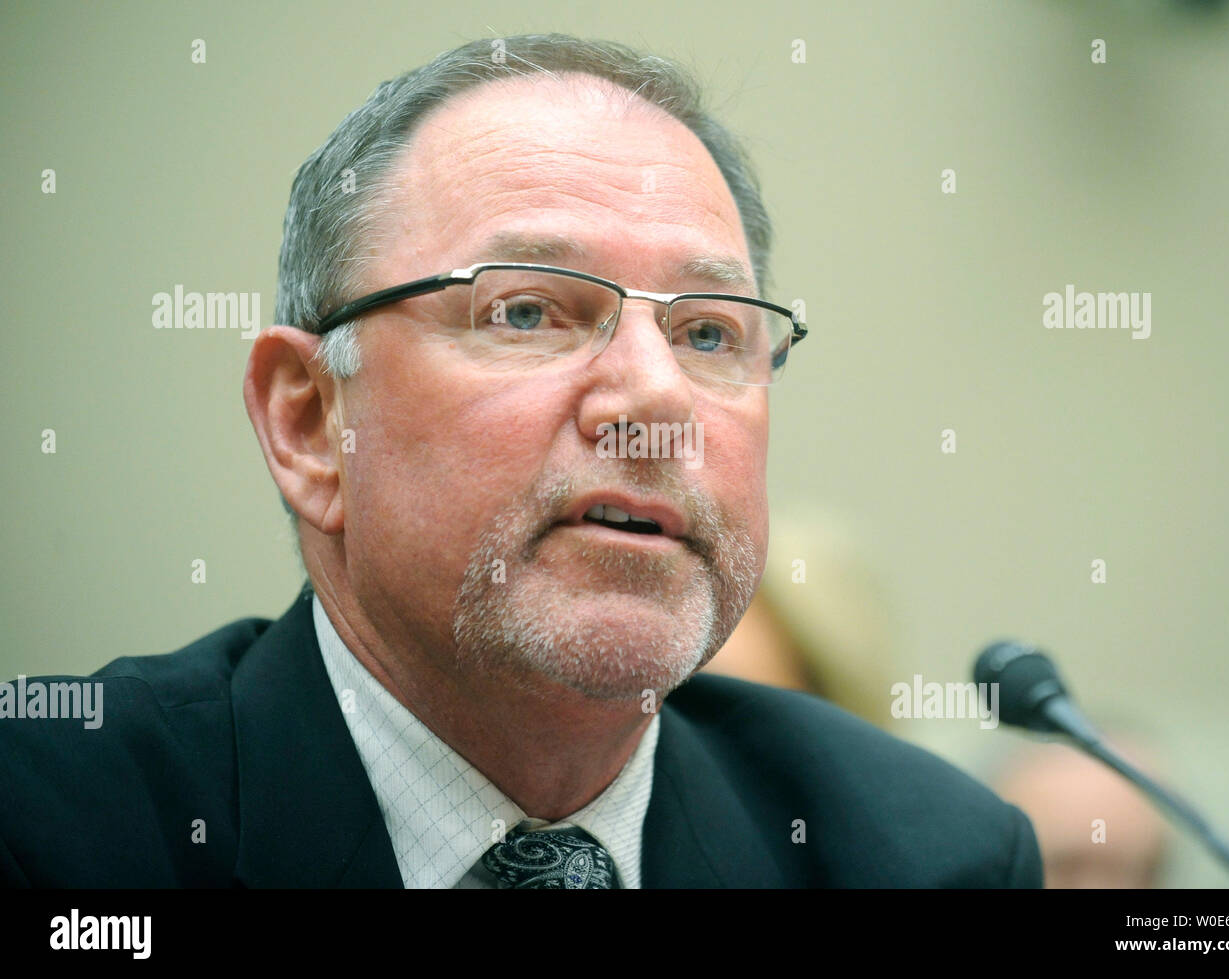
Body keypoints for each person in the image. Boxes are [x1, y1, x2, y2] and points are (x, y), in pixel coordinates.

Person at [0, 33, 1041, 888]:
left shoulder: (922, 859)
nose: (654, 398)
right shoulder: (51, 832)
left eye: (711, 334)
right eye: (530, 310)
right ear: (311, 424)